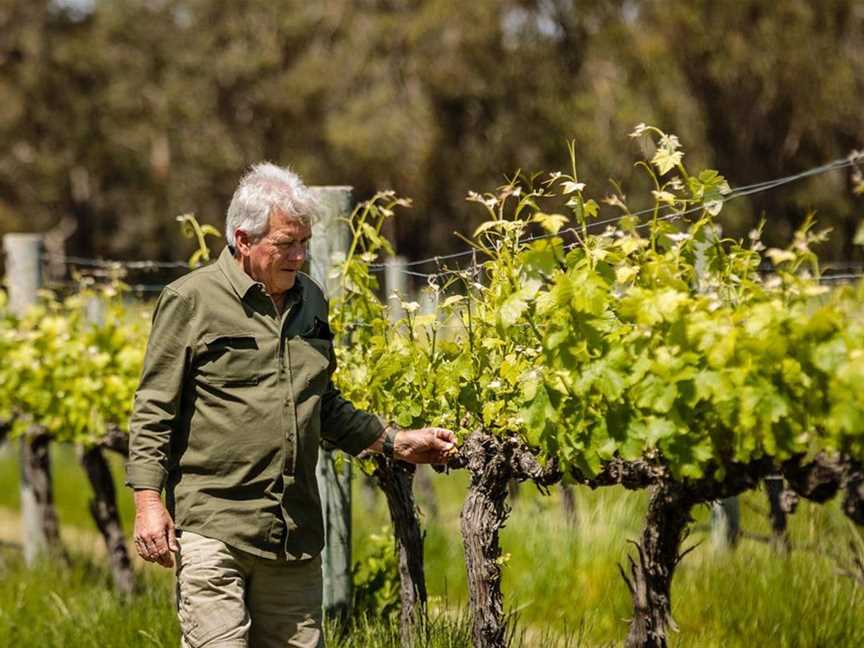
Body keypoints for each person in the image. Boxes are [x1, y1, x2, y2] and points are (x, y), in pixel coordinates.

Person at [125, 162, 456, 648]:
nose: (300, 256)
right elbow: (154, 409)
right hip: (214, 524)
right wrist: (148, 503)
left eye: (305, 242)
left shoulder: (312, 302)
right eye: (286, 243)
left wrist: (395, 442)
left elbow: (322, 403)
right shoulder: (190, 301)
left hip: (293, 534)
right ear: (243, 239)